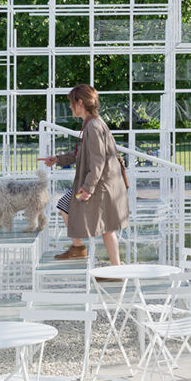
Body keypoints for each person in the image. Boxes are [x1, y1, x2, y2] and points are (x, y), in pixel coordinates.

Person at [39, 84, 130, 265]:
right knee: (106, 228)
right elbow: (83, 154)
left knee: (68, 206)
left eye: (72, 103)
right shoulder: (93, 123)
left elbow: (98, 161)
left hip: (98, 187)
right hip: (102, 185)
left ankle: (81, 249)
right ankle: (92, 255)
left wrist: (87, 189)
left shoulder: (93, 127)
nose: (71, 107)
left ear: (80, 103)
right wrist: (58, 159)